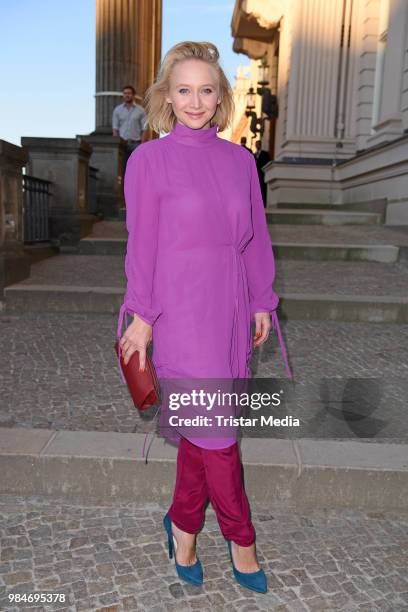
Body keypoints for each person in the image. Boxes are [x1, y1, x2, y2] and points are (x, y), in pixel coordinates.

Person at [116, 41, 292, 595]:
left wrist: (263, 299)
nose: (195, 101)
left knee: (202, 433)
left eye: (206, 90)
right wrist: (141, 317)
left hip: (229, 312)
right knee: (218, 436)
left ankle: (182, 522)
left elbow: (254, 240)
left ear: (221, 98)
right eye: (184, 89)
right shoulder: (149, 159)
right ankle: (242, 540)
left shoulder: (241, 161)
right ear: (168, 97)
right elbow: (141, 246)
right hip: (176, 313)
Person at [112, 85, 148, 172]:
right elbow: (115, 129)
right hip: (122, 145)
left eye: (129, 93)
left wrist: (142, 145)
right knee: (121, 169)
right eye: (125, 93)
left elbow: (145, 129)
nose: (127, 95)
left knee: (136, 169)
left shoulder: (141, 110)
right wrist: (116, 144)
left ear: (133, 95)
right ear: (123, 95)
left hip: (135, 144)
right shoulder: (117, 110)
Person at [254, 140, 271, 207]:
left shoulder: (265, 153)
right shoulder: (254, 154)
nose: (256, 146)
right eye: (256, 144)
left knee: (263, 190)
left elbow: (268, 162)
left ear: (260, 145)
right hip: (256, 175)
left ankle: (263, 204)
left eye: (258, 144)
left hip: (263, 174)